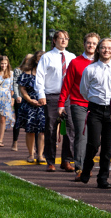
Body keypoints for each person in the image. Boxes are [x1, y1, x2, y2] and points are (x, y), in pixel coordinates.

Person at [77, 38, 111, 189]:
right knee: (93, 143)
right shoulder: (90, 69)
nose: (107, 50)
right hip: (95, 109)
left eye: (110, 48)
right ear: (99, 50)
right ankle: (86, 168)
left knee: (107, 148)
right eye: (104, 48)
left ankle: (103, 178)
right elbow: (84, 90)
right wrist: (94, 102)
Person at [35, 30, 76, 172]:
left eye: (66, 38)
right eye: (61, 38)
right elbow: (39, 76)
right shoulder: (47, 57)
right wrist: (41, 94)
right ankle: (50, 161)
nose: (64, 40)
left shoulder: (72, 57)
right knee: (51, 128)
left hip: (69, 97)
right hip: (52, 96)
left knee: (70, 128)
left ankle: (66, 160)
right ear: (54, 40)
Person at [60, 32, 99, 180]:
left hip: (96, 105)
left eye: (94, 43)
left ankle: (88, 165)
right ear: (84, 44)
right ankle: (80, 169)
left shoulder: (100, 63)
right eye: (89, 42)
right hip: (78, 103)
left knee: (94, 139)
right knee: (81, 136)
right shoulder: (75, 62)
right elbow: (67, 85)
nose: (91, 46)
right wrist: (61, 104)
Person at [17, 51, 46, 164]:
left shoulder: (48, 73)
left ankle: (40, 155)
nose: (42, 59)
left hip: (43, 104)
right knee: (30, 131)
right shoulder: (27, 72)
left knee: (42, 131)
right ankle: (30, 154)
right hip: (30, 104)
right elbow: (22, 88)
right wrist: (29, 99)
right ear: (35, 59)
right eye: (40, 57)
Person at [11, 56, 29, 152]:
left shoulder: (34, 71)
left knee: (30, 122)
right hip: (20, 98)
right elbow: (15, 83)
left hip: (30, 99)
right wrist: (17, 96)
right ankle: (15, 141)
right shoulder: (18, 70)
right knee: (18, 120)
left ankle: (30, 145)